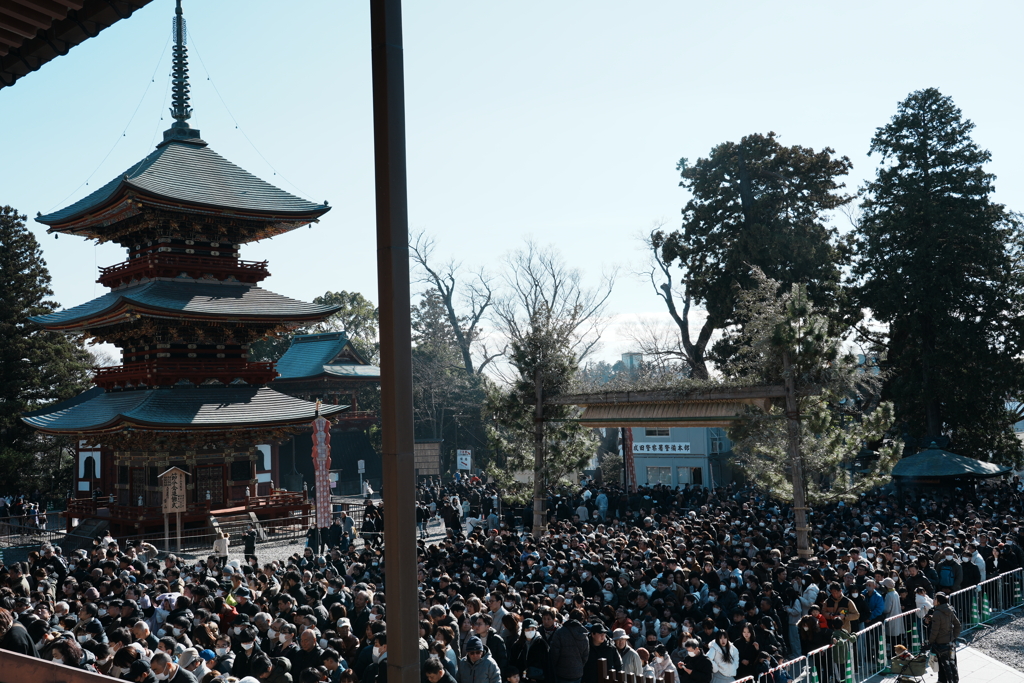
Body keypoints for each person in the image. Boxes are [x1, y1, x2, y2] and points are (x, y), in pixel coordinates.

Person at [926, 592, 961, 683]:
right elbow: (958, 625)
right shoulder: (950, 610)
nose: (933, 600)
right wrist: (953, 636)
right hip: (950, 642)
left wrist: (930, 641)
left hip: (940, 643)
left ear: (939, 601)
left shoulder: (937, 613)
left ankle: (945, 681)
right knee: (952, 664)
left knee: (944, 665)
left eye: (935, 599)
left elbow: (935, 631)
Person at [548, 609, 589, 683]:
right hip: (577, 673)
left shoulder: (560, 632)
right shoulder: (584, 634)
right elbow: (585, 656)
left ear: (569, 618)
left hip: (561, 672)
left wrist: (556, 666)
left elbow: (554, 654)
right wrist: (578, 666)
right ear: (582, 621)